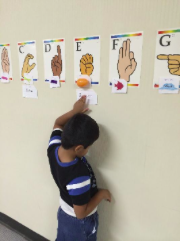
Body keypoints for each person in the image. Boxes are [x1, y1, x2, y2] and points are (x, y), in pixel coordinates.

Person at [47, 96, 111, 241]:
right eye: (89, 147)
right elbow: (80, 214)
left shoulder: (54, 148)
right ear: (79, 148)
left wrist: (74, 111)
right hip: (80, 223)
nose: (89, 150)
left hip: (64, 212)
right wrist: (101, 194)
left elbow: (58, 123)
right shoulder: (78, 176)